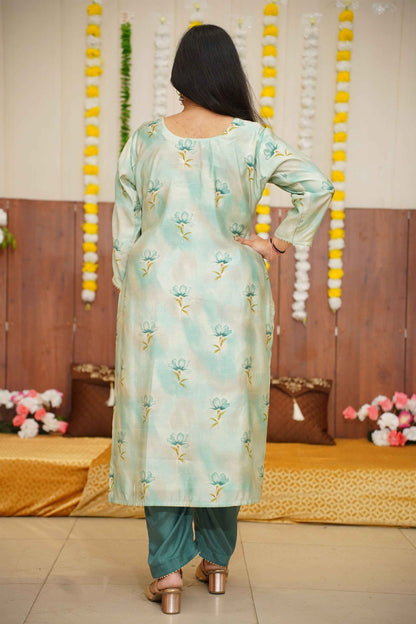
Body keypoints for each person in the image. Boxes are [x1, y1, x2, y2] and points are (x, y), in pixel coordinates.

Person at [109, 24, 335, 615]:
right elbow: (317, 186)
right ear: (228, 73)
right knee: (222, 425)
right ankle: (215, 562)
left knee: (159, 424)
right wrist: (277, 243)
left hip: (157, 294)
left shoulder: (146, 139)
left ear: (180, 73)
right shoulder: (251, 139)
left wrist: (132, 287)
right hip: (231, 295)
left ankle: (167, 573)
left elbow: (124, 231)